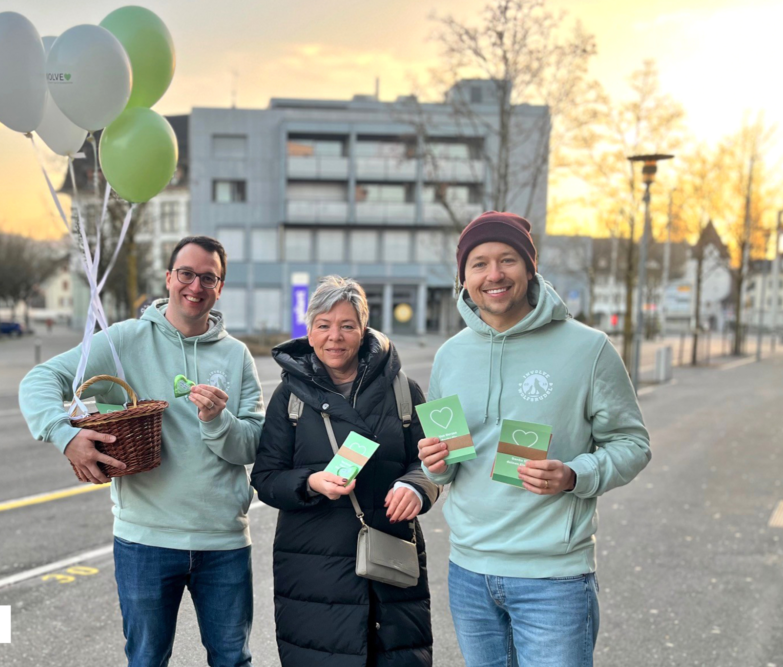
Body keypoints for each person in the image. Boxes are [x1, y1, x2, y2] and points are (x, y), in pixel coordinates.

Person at [417, 212, 651, 667]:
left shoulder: (589, 348)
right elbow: (447, 465)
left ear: (530, 268)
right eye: (479, 264)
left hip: (554, 577)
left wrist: (574, 475)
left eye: (507, 259)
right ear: (464, 278)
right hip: (469, 572)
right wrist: (435, 464)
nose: (494, 274)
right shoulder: (450, 356)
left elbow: (633, 443)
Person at [19, 236, 264, 667]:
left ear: (220, 287)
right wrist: (65, 436)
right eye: (186, 273)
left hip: (223, 540)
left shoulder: (237, 355)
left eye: (208, 277)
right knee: (147, 660)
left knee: (232, 660)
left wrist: (216, 421)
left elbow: (253, 443)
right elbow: (40, 379)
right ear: (169, 278)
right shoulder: (124, 341)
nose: (196, 285)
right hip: (145, 540)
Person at [252, 275, 438, 667]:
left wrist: (417, 486)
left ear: (364, 330)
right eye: (323, 325)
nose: (334, 337)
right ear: (309, 333)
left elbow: (433, 460)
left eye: (347, 325)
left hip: (390, 562)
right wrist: (310, 482)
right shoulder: (290, 398)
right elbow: (266, 479)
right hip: (312, 570)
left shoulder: (403, 391)